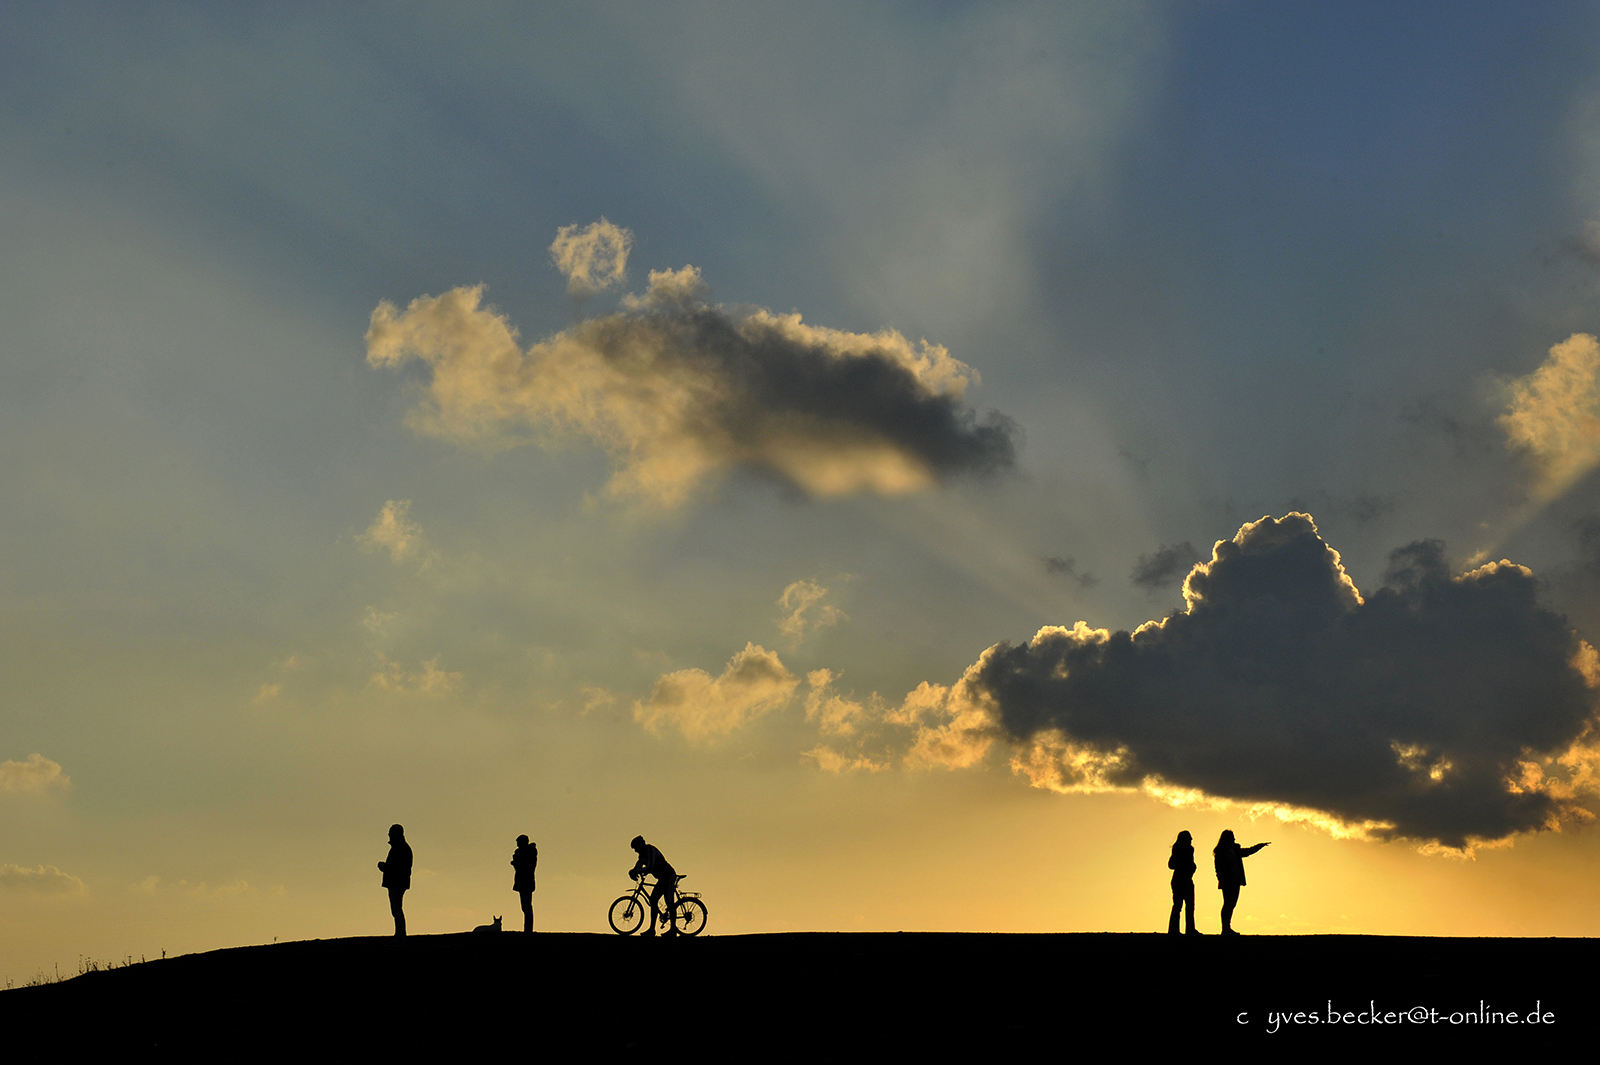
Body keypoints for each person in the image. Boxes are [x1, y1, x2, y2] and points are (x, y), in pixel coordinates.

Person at [1213, 830, 1269, 935]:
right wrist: (1221, 879)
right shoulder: (1220, 852)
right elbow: (1218, 868)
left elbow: (1247, 852)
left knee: (1232, 904)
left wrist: (1259, 846)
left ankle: (1227, 927)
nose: (1234, 839)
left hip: (1235, 881)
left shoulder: (1234, 850)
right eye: (1232, 837)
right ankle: (1225, 928)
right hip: (1227, 882)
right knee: (1228, 904)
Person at [628, 835, 678, 937]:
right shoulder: (642, 855)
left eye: (636, 848)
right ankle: (652, 929)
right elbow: (638, 865)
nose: (636, 851)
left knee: (669, 901)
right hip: (663, 878)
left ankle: (673, 929)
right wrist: (634, 871)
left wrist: (637, 871)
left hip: (668, 876)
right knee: (653, 900)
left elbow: (649, 867)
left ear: (641, 845)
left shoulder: (651, 850)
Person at [378, 824, 413, 937]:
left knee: (396, 909)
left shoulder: (400, 848)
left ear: (397, 833)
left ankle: (400, 935)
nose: (389, 835)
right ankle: (400, 934)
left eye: (391, 832)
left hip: (397, 883)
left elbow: (398, 868)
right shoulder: (401, 848)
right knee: (396, 909)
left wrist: (384, 867)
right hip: (397, 882)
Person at [1167, 831, 1200, 935]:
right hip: (1184, 879)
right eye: (1189, 838)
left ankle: (1175, 930)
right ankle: (1188, 929)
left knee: (1178, 905)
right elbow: (1172, 865)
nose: (1191, 840)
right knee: (1186, 906)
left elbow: (1171, 865)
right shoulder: (1188, 849)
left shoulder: (1177, 849)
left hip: (1179, 879)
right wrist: (1192, 867)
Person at [512, 834, 538, 933]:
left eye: (518, 842)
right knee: (525, 906)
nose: (517, 845)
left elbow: (525, 866)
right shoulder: (523, 852)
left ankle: (528, 929)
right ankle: (528, 929)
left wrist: (516, 861)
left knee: (527, 906)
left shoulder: (528, 853)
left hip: (525, 882)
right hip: (524, 882)